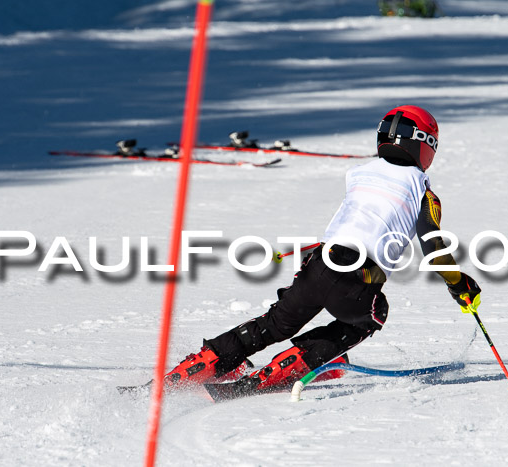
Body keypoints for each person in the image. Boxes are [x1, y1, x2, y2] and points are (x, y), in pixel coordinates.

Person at [164, 105, 482, 394]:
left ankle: (190, 371)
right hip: (356, 279)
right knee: (372, 314)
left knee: (274, 324)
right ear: (424, 144)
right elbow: (432, 243)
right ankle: (285, 370)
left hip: (320, 263)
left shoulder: (360, 173)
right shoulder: (423, 192)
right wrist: (458, 284)